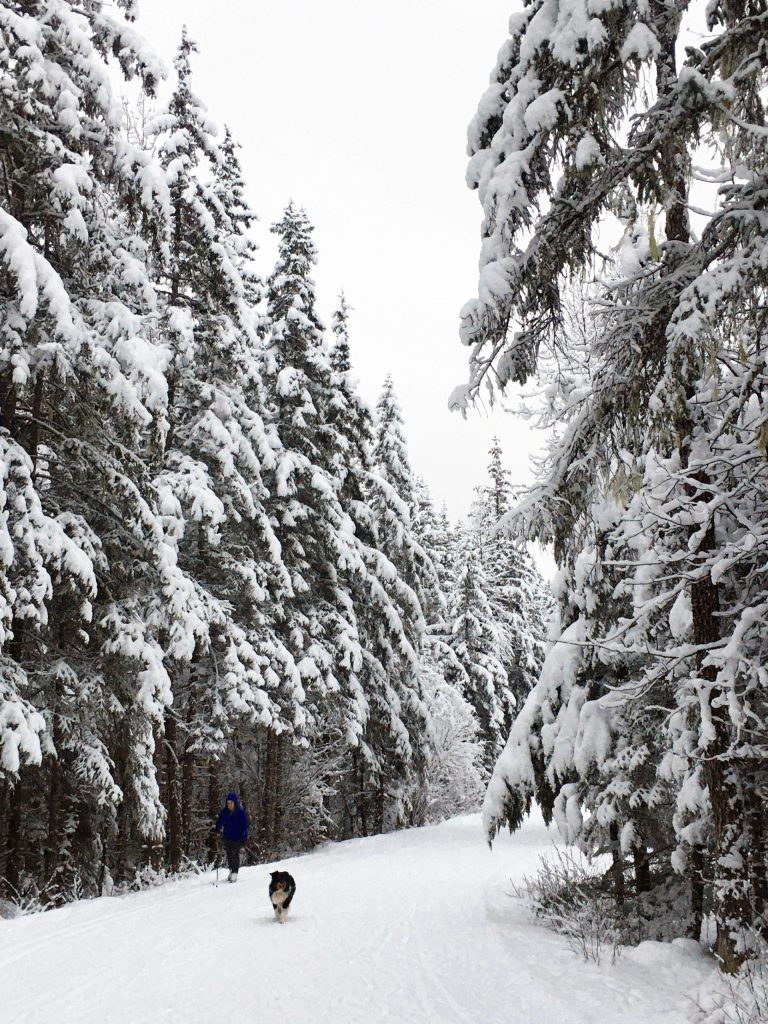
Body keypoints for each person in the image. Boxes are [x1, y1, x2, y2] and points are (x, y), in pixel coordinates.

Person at [212, 792, 249, 882]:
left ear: (235, 802)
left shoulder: (240, 813)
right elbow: (220, 821)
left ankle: (235, 872)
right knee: (229, 854)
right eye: (228, 803)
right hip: (227, 837)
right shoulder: (225, 812)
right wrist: (216, 828)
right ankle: (231, 870)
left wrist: (244, 838)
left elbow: (244, 826)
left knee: (234, 854)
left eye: (231, 803)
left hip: (237, 838)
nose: (229, 805)